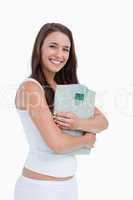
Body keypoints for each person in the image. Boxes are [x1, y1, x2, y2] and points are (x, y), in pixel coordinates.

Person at [14, 23, 108, 200]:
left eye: (66, 49)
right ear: (39, 48)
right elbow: (56, 143)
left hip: (69, 187)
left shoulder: (66, 89)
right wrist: (86, 139)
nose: (59, 54)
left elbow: (103, 121)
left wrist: (77, 123)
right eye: (52, 46)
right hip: (39, 189)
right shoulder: (31, 88)